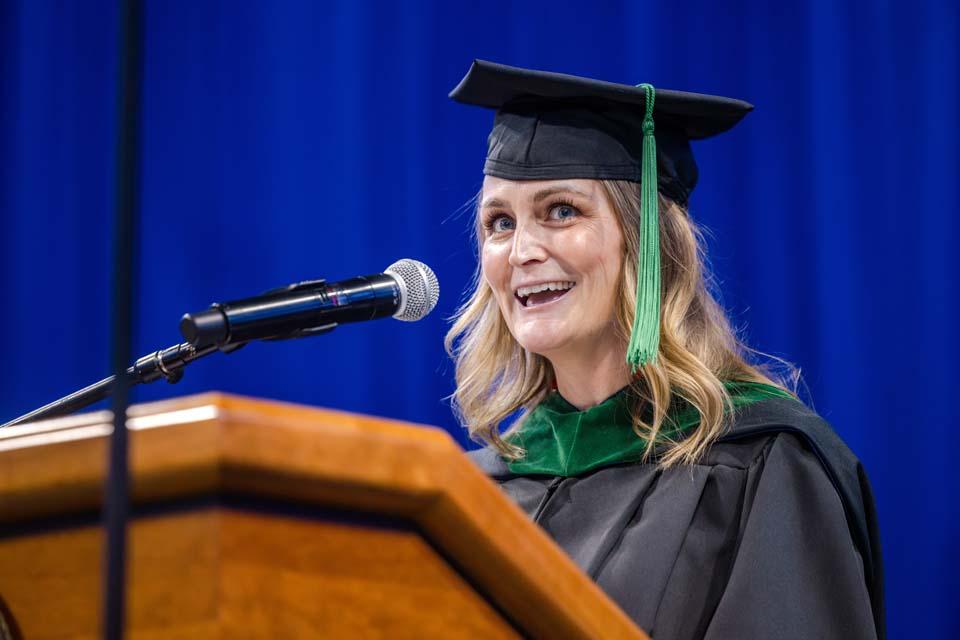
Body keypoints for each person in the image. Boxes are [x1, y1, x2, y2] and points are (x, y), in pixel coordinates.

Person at [445, 60, 884, 640]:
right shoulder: (479, 490)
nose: (522, 249)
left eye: (561, 211)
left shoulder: (759, 465)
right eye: (499, 223)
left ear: (649, 241)